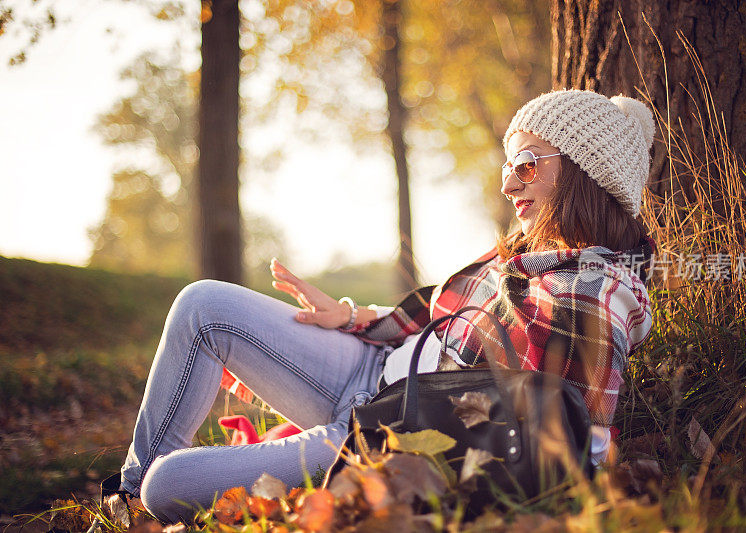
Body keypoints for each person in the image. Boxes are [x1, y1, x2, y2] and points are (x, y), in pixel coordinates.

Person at [107, 89, 657, 523]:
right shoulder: (522, 249)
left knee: (169, 486)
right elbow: (431, 318)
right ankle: (127, 497)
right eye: (508, 164)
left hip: (386, 433)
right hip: (369, 368)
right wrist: (349, 318)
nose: (509, 182)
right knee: (204, 305)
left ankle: (145, 492)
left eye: (528, 164)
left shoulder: (594, 291)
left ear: (587, 173)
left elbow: (578, 446)